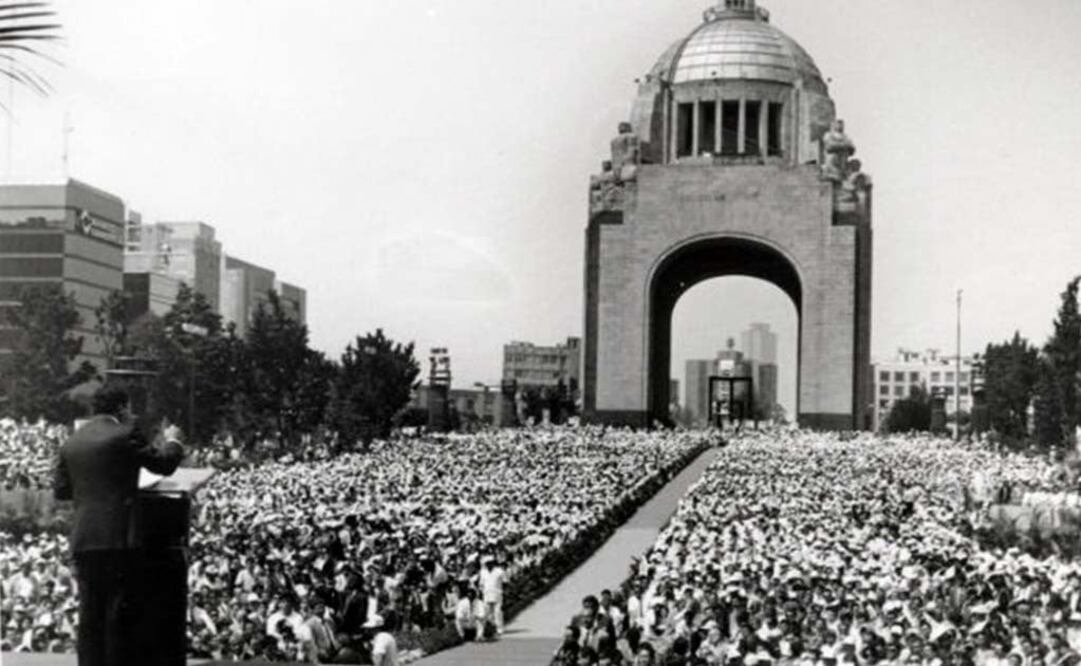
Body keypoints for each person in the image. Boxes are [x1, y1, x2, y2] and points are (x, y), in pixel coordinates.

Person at [53, 385, 185, 666]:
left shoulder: (72, 441)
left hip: (84, 537)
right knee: (117, 612)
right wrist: (174, 441)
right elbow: (163, 465)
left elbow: (62, 491)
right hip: (119, 536)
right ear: (122, 407)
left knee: (90, 612)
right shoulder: (126, 434)